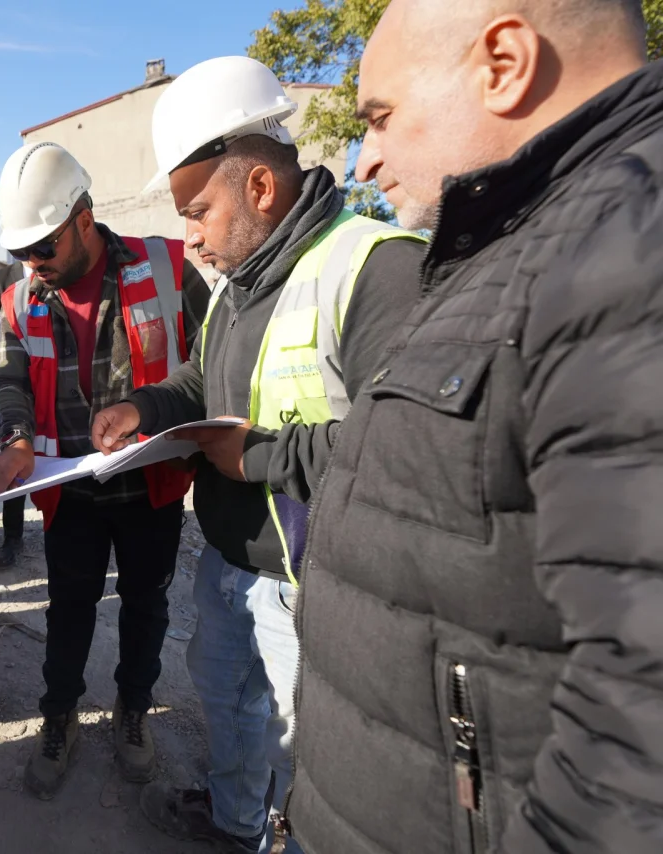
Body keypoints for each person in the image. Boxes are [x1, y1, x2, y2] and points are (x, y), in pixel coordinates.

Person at [284, 3, 663, 853]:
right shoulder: (520, 245)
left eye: (380, 117)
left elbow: (639, 738)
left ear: (503, 63)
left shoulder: (629, 243)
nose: (364, 157)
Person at [90, 57, 425, 853]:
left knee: (313, 762)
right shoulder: (239, 284)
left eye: (198, 212)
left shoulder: (376, 267)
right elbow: (204, 379)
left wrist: (260, 459)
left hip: (317, 588)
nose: (191, 237)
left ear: (260, 190)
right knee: (234, 716)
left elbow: (408, 451)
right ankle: (239, 824)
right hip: (231, 568)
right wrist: (146, 405)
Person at [0, 142, 210, 799]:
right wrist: (18, 437)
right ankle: (59, 718)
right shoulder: (19, 299)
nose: (34, 263)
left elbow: (216, 360)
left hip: (152, 485)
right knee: (69, 610)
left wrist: (164, 413)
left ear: (83, 219)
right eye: (22, 252)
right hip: (71, 492)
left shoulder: (167, 268)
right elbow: (7, 382)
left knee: (147, 605)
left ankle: (132, 712)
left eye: (44, 247)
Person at [0, 259, 27, 568]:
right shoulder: (1, 279)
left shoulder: (62, 268)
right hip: (15, 383)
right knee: (14, 461)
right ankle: (12, 537)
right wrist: (9, 362)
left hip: (55, 380)